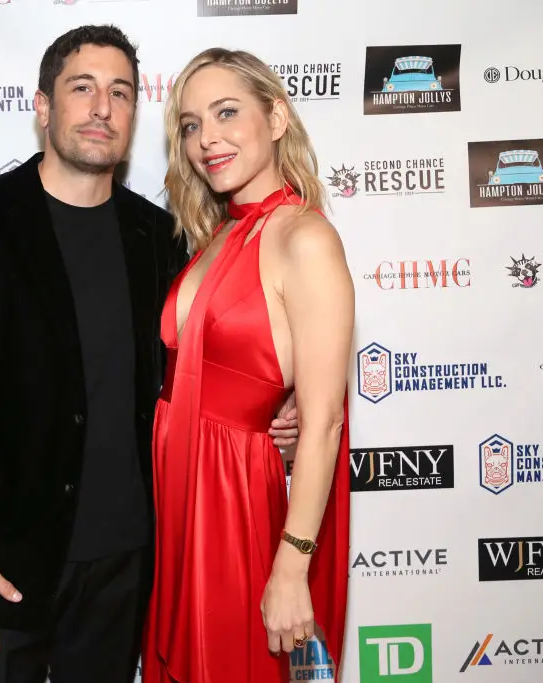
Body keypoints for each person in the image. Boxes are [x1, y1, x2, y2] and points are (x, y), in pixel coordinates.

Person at [0, 26, 300, 683]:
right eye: (82, 88)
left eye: (120, 92)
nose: (102, 108)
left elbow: (205, 364)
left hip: (127, 567)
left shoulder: (162, 237)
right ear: (43, 105)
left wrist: (272, 407)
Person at [141, 48, 353, 683]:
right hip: (179, 496)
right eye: (191, 124)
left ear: (277, 118)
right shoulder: (221, 235)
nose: (207, 138)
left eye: (227, 112)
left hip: (231, 500)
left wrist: (292, 567)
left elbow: (323, 424)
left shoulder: (305, 239)